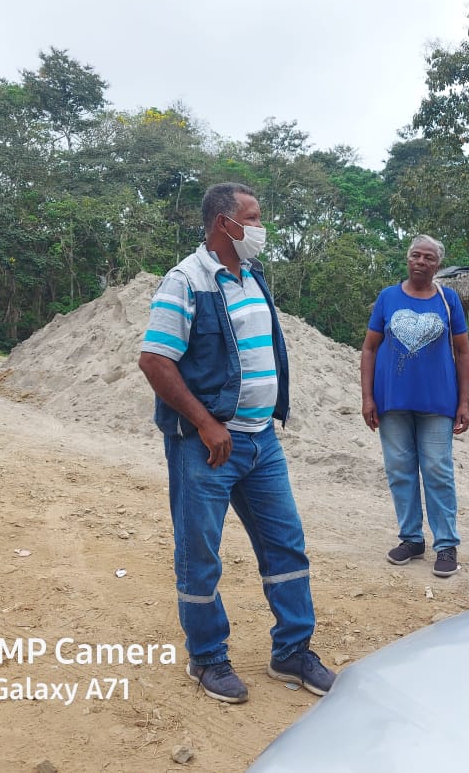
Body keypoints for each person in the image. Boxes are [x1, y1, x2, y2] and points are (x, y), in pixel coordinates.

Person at [138, 182, 335, 704]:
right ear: (224, 223)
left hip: (260, 441)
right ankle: (207, 658)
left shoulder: (252, 275)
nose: (261, 227)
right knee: (200, 553)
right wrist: (205, 423)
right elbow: (154, 360)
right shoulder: (186, 281)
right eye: (253, 217)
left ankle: (292, 651)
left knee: (285, 544)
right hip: (207, 447)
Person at [360, 234, 469, 578]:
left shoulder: (448, 300)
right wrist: (367, 397)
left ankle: (446, 544)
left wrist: (464, 402)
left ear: (438, 265)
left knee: (437, 469)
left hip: (438, 401)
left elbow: (463, 351)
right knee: (399, 469)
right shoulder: (388, 297)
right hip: (392, 400)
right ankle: (411, 538)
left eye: (428, 258)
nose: (421, 262)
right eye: (415, 256)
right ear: (407, 259)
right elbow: (369, 348)